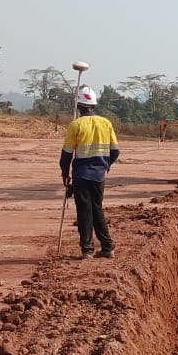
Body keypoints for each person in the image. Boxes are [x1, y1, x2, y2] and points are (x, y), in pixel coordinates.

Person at [60, 85, 120, 259]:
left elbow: (67, 154)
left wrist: (65, 175)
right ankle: (107, 247)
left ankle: (87, 250)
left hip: (81, 174)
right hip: (99, 175)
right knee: (97, 209)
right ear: (93, 105)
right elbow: (115, 152)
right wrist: (104, 165)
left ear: (79, 106)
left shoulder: (75, 125)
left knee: (84, 211)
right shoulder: (106, 123)